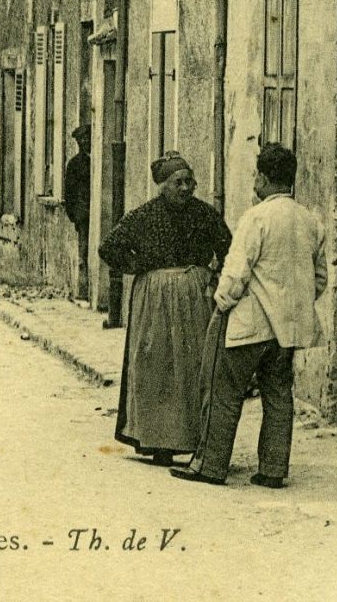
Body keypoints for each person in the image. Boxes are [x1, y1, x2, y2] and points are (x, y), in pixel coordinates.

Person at [172, 142, 326, 488]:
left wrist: (221, 303)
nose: (254, 181)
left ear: (266, 179)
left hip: (248, 322)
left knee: (222, 390)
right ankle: (273, 470)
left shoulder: (256, 218)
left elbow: (236, 271)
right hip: (287, 330)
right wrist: (291, 304)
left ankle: (210, 466)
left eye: (257, 175)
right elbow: (319, 279)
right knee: (278, 395)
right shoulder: (310, 221)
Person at [98, 152, 232, 466]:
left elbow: (229, 247)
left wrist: (215, 278)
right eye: (177, 182)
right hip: (154, 301)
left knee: (194, 366)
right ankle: (159, 443)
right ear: (163, 186)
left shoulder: (205, 214)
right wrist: (140, 266)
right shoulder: (143, 216)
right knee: (154, 365)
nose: (185, 188)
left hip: (194, 298)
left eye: (189, 182)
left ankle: (194, 440)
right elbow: (108, 248)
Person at [63, 124, 92, 301]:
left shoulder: (98, 160)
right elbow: (69, 192)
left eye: (87, 138)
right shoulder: (75, 164)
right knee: (83, 252)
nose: (85, 142)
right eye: (82, 140)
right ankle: (82, 289)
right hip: (83, 214)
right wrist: (73, 214)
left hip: (94, 212)